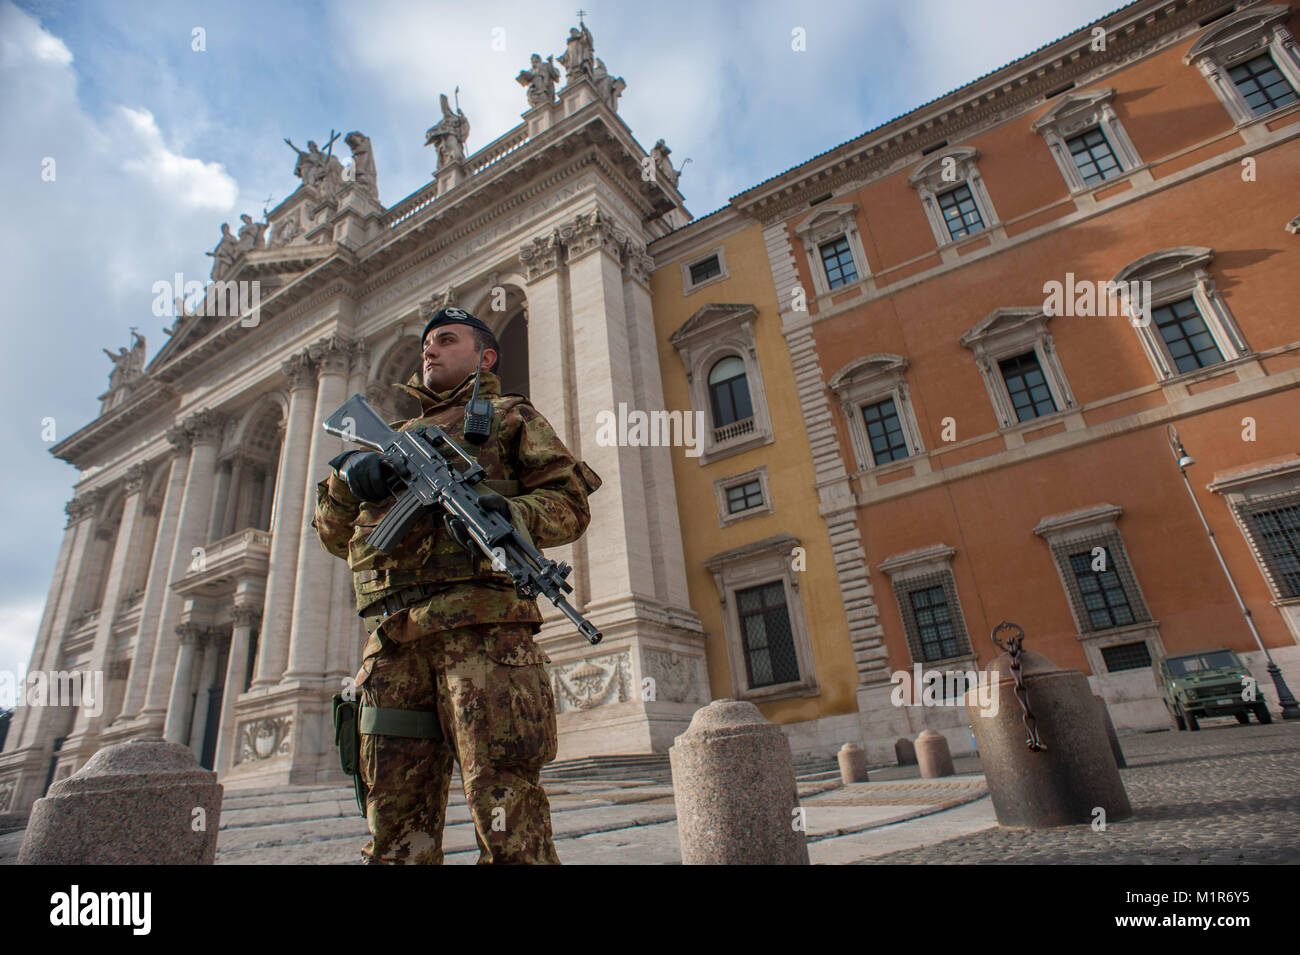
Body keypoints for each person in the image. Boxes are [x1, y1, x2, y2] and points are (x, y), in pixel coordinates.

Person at [312, 306, 602, 864]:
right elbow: (333, 536)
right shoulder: (387, 440)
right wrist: (350, 479)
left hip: (485, 636)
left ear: (486, 356)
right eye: (427, 343)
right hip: (393, 644)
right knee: (393, 824)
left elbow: (569, 505)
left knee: (507, 810)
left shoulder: (510, 417)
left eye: (447, 340)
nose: (430, 350)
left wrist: (511, 512)